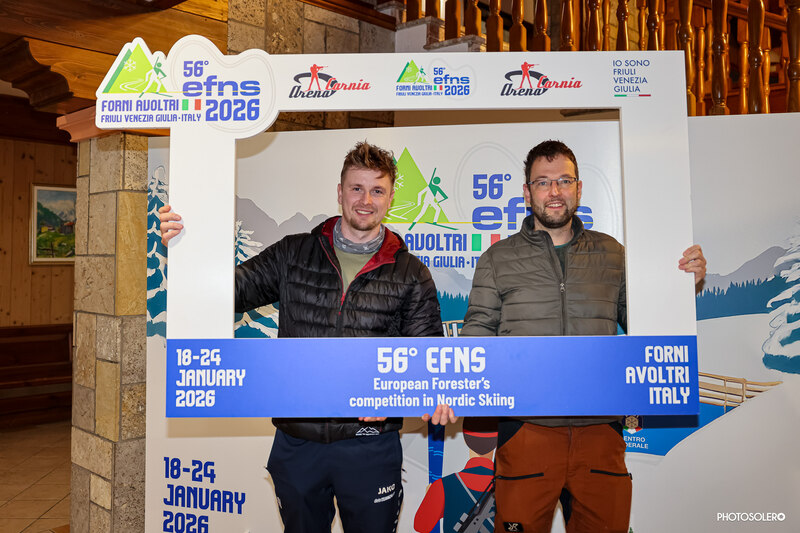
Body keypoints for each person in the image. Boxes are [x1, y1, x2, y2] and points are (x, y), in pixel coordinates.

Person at [160, 141, 456, 533]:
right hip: (297, 440)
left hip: (369, 443)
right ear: (339, 192)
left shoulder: (410, 273)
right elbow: (227, 291)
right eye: (356, 188)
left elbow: (427, 357)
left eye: (377, 190)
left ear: (389, 199)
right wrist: (186, 249)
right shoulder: (294, 253)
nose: (366, 200)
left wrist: (401, 397)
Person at [461, 140, 706, 533]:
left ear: (579, 188)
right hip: (526, 430)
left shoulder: (613, 254)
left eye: (564, 180)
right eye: (543, 182)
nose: (554, 191)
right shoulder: (498, 258)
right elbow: (476, 336)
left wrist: (681, 287)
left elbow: (647, 325)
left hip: (600, 431)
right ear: (527, 192)